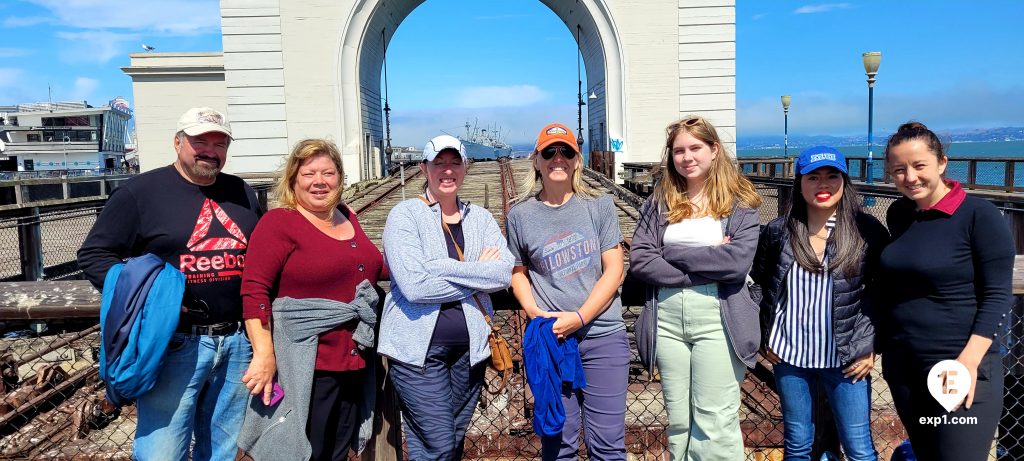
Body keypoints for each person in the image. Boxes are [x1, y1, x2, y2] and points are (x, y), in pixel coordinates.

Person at [78, 107, 261, 460]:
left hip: (239, 343)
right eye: (200, 141)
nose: (210, 151)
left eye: (220, 144)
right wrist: (150, 298)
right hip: (175, 343)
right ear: (178, 143)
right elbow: (95, 255)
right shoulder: (140, 192)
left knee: (223, 451)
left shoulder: (241, 191)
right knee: (161, 451)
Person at [237, 139, 384, 460]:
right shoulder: (279, 223)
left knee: (337, 452)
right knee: (302, 450)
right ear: (293, 179)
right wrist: (264, 354)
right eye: (309, 174)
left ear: (340, 178)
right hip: (306, 364)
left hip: (352, 360)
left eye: (328, 173)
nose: (319, 181)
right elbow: (254, 290)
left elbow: (371, 266)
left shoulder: (346, 216)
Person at [628, 115, 762, 460]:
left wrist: (670, 253)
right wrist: (708, 261)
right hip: (667, 319)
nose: (687, 157)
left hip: (719, 317)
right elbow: (641, 260)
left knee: (714, 420)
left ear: (714, 149)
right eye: (679, 151)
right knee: (679, 422)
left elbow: (736, 264)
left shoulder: (739, 202)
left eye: (695, 148)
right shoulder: (660, 202)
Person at [879, 121, 1014, 461]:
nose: (910, 177)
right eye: (899, 169)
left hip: (960, 366)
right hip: (905, 367)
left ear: (941, 163)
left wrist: (968, 362)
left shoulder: (979, 215)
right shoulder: (899, 214)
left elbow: (998, 294)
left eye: (919, 165)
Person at [377, 134, 514, 460]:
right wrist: (477, 274)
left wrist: (440, 267)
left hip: (471, 352)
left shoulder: (480, 218)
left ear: (465, 167)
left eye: (455, 162)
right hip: (417, 354)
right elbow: (414, 286)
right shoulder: (404, 215)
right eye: (439, 163)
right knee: (439, 443)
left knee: (449, 442)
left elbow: (502, 274)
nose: (448, 170)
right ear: (424, 168)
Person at [751, 146, 889, 461]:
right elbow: (760, 285)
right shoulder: (779, 230)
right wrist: (764, 337)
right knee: (798, 444)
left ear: (844, 181)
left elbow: (881, 292)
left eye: (832, 176)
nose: (823, 184)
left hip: (847, 359)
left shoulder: (866, 231)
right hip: (789, 355)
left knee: (859, 448)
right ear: (799, 183)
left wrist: (869, 344)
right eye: (813, 177)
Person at [507, 123, 627, 460]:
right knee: (559, 444)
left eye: (566, 152)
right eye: (549, 152)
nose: (557, 158)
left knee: (607, 445)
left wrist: (580, 317)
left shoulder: (599, 205)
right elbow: (518, 271)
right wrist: (534, 312)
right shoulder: (520, 215)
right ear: (536, 161)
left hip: (602, 336)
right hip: (554, 341)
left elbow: (614, 269)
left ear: (577, 160)